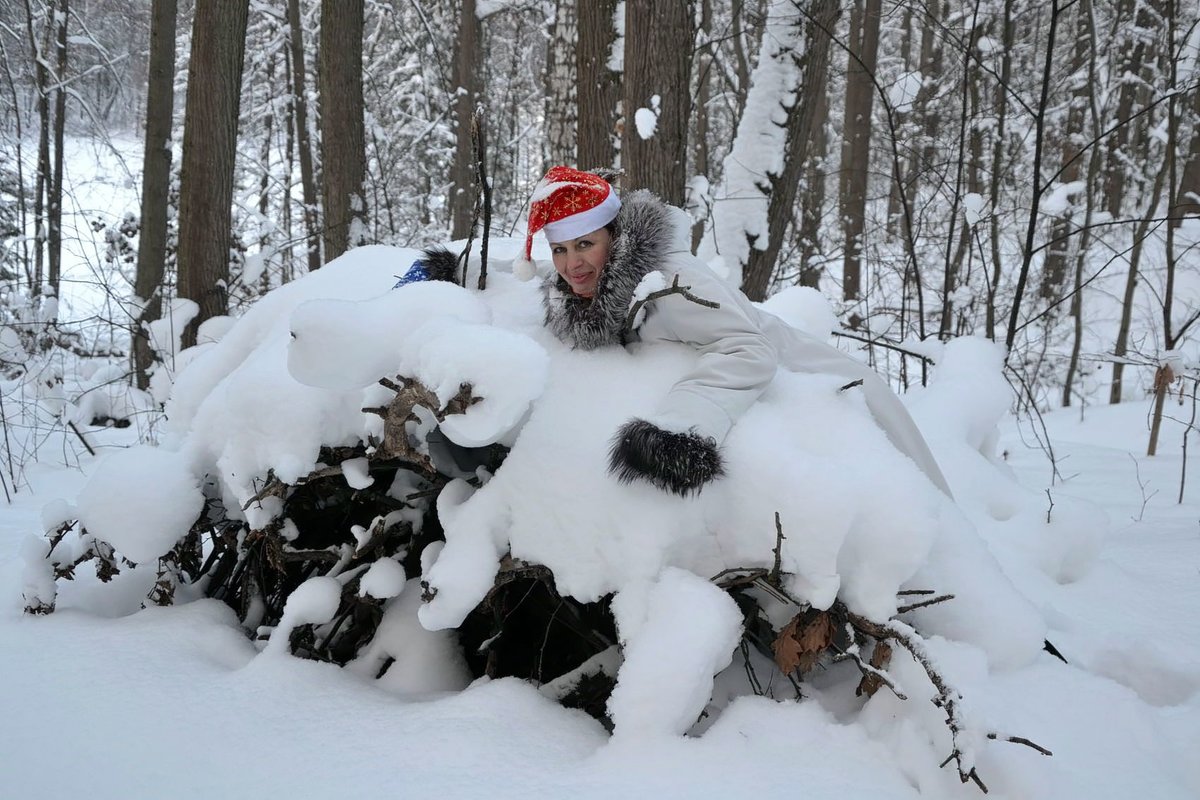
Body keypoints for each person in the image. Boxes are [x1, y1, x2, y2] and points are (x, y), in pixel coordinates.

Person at [511, 166, 953, 499]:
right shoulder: (590, 278)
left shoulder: (669, 281)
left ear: (615, 237)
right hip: (799, 377)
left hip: (830, 388)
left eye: (585, 244)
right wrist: (459, 270)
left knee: (919, 515)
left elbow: (749, 350)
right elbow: (541, 275)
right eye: (560, 249)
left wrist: (679, 430)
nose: (572, 264)